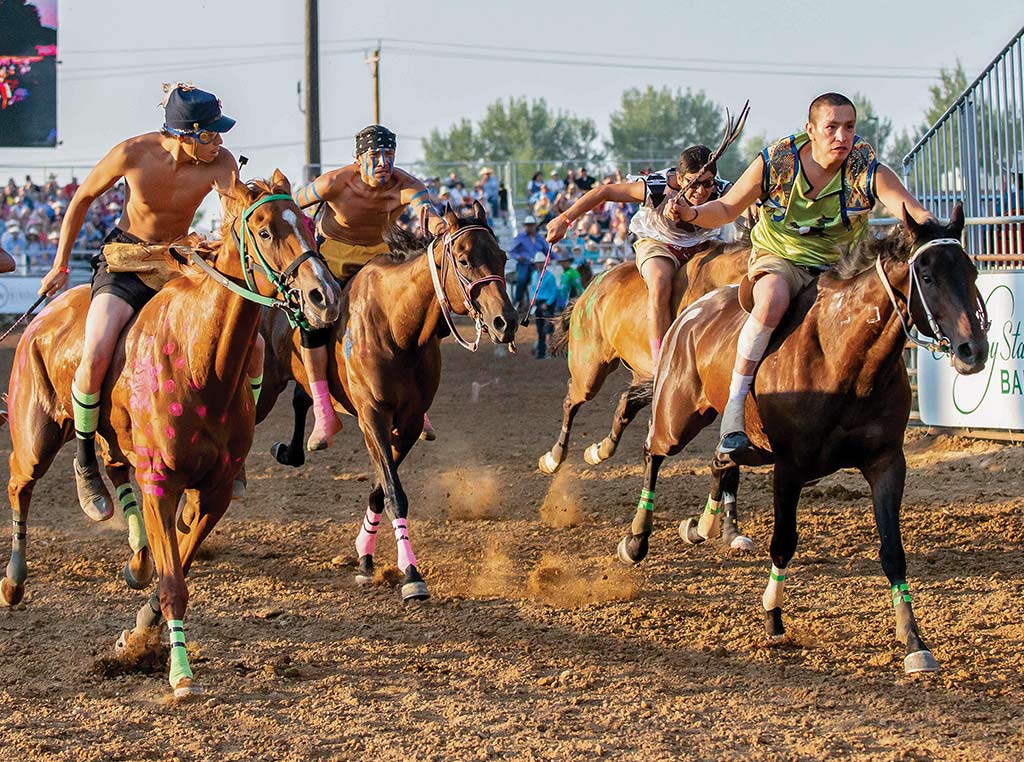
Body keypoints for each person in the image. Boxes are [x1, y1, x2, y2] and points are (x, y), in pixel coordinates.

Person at [665, 93, 935, 459]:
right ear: (810, 130)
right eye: (832, 127)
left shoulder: (867, 169)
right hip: (782, 258)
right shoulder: (776, 162)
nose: (842, 136)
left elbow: (912, 210)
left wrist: (938, 232)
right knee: (773, 298)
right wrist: (692, 215)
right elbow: (727, 208)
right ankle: (734, 408)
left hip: (843, 268)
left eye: (850, 127)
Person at [37, 84, 240, 520]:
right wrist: (59, 264)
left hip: (179, 260)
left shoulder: (221, 164)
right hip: (126, 260)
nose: (220, 142)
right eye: (212, 135)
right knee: (95, 351)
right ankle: (86, 458)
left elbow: (232, 217)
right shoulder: (132, 152)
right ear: (187, 134)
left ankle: (233, 449)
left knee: (252, 348)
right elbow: (82, 199)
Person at [290, 124, 447, 450]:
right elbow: (291, 206)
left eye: (388, 155)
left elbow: (424, 209)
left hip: (380, 264)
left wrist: (437, 223)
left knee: (421, 318)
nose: (382, 163)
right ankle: (322, 410)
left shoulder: (405, 185)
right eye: (374, 155)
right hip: (333, 260)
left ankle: (419, 404)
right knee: (313, 323)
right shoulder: (333, 182)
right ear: (358, 158)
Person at [546, 144, 732, 367]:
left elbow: (752, 199)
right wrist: (564, 220)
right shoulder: (656, 186)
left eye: (707, 183)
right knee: (660, 282)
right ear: (681, 179)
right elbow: (604, 192)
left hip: (703, 243)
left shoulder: (722, 190)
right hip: (659, 242)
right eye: (694, 183)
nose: (701, 191)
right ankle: (660, 361)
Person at [507, 214, 547, 311]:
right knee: (522, 278)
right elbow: (511, 252)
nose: (530, 227)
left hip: (538, 264)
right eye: (528, 225)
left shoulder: (540, 238)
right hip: (523, 264)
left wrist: (558, 257)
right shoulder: (520, 237)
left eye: (532, 225)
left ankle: (541, 302)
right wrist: (519, 257)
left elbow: (548, 251)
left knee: (544, 279)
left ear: (535, 226)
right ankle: (517, 301)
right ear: (525, 226)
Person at [528, 251, 558, 359]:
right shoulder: (534, 275)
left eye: (541, 262)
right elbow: (532, 289)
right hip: (538, 303)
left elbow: (554, 292)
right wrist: (532, 300)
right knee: (540, 329)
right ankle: (541, 352)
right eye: (538, 263)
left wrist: (548, 303)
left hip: (547, 303)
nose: (539, 264)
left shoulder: (550, 276)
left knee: (549, 328)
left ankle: (550, 351)